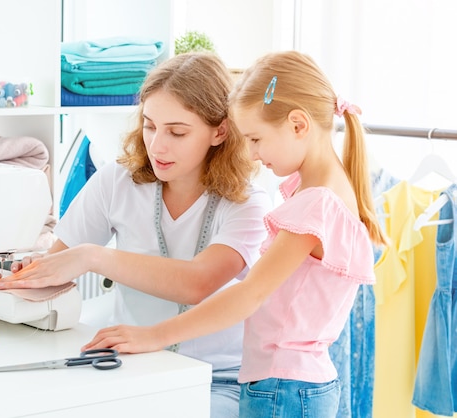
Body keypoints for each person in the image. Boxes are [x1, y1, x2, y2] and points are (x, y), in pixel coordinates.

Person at [81, 50, 389, 418]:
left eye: (256, 139)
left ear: (298, 125)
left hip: (283, 388)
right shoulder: (322, 192)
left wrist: (155, 335)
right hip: (288, 384)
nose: (254, 155)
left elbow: (249, 294)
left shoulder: (316, 204)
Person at [0, 52, 272, 418]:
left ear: (219, 130)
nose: (157, 145)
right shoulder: (116, 180)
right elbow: (59, 263)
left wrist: (94, 256)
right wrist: (20, 276)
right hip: (130, 365)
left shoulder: (248, 204)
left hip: (218, 379)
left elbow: (198, 283)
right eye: (149, 125)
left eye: (177, 131)